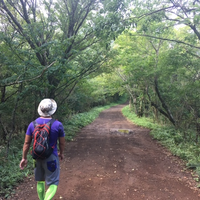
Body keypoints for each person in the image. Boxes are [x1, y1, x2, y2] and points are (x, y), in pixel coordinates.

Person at [19, 98, 65, 200]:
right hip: (51, 157)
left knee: (40, 181)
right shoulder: (58, 124)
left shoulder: (32, 124)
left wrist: (24, 158)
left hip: (37, 157)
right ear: (53, 110)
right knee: (53, 183)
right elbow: (62, 142)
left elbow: (26, 143)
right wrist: (61, 153)